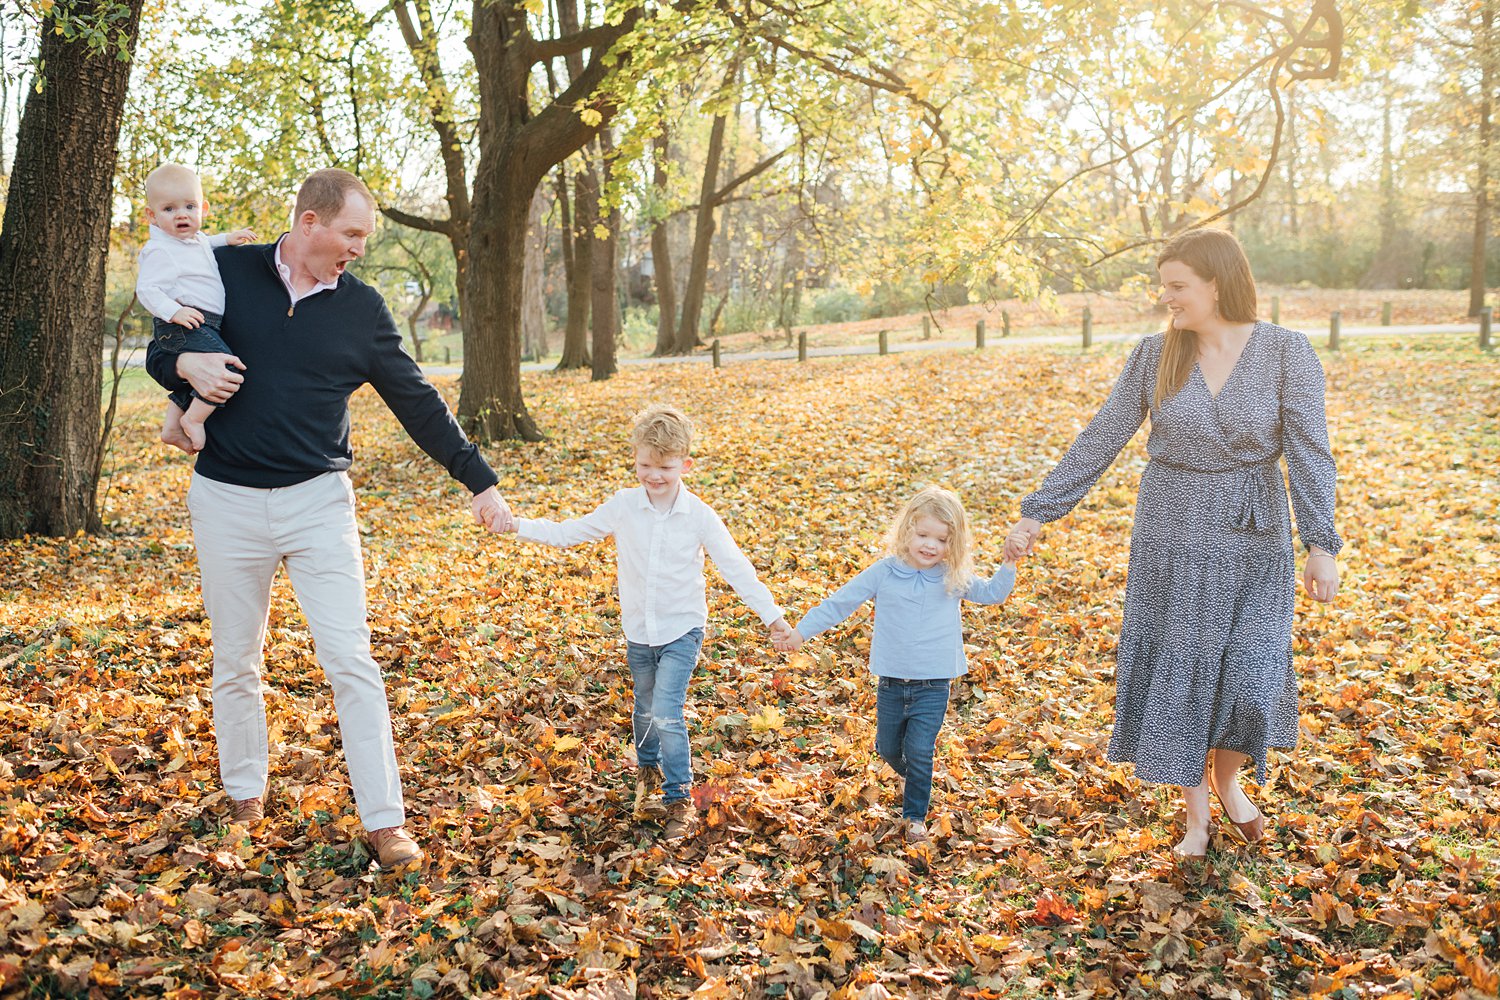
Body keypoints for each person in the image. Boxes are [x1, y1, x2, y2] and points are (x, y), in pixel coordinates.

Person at [145, 168, 512, 869]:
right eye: (351, 233)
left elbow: (417, 401)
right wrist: (187, 362)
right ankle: (245, 796)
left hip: (318, 502)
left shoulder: (362, 309)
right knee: (235, 660)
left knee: (351, 659)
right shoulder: (223, 269)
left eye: (364, 237)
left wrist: (478, 481)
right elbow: (164, 345)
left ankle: (385, 821)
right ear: (309, 223)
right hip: (226, 500)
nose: (359, 249)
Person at [1003, 228, 1340, 862]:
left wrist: (1320, 542)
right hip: (1173, 528)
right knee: (1182, 668)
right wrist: (1037, 514)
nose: (1169, 298)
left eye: (1178, 286)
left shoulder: (1286, 353)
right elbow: (1103, 436)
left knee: (1249, 670)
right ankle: (1196, 818)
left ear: (1218, 283)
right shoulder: (1155, 355)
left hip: (1253, 531)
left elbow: (1309, 450)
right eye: (1165, 287)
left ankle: (1228, 782)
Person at [495, 404, 793, 841]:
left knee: (666, 711)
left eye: (665, 467)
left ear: (685, 465)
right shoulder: (623, 506)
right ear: (634, 460)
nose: (654, 476)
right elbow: (569, 532)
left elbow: (736, 567)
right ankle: (648, 771)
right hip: (639, 630)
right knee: (644, 709)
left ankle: (678, 797)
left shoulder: (699, 517)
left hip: (682, 628)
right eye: (645, 465)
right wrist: (514, 525)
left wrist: (774, 618)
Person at [775, 486, 1016, 845]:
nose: (930, 545)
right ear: (907, 531)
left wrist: (1009, 562)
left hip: (933, 683)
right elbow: (841, 603)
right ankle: (913, 775)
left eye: (942, 539)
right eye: (923, 535)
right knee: (887, 747)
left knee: (920, 748)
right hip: (891, 680)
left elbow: (993, 594)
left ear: (954, 542)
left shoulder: (952, 576)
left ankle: (914, 814)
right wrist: (800, 633)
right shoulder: (884, 572)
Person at [135, 163, 257, 453]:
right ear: (152, 216)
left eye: (189, 206)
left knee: (198, 376)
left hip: (203, 322)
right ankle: (195, 419)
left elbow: (207, 243)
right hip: (182, 323)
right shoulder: (160, 250)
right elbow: (147, 289)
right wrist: (173, 311)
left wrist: (229, 239)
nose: (181, 215)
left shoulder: (195, 240)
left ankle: (172, 428)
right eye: (169, 209)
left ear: (203, 208)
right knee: (224, 367)